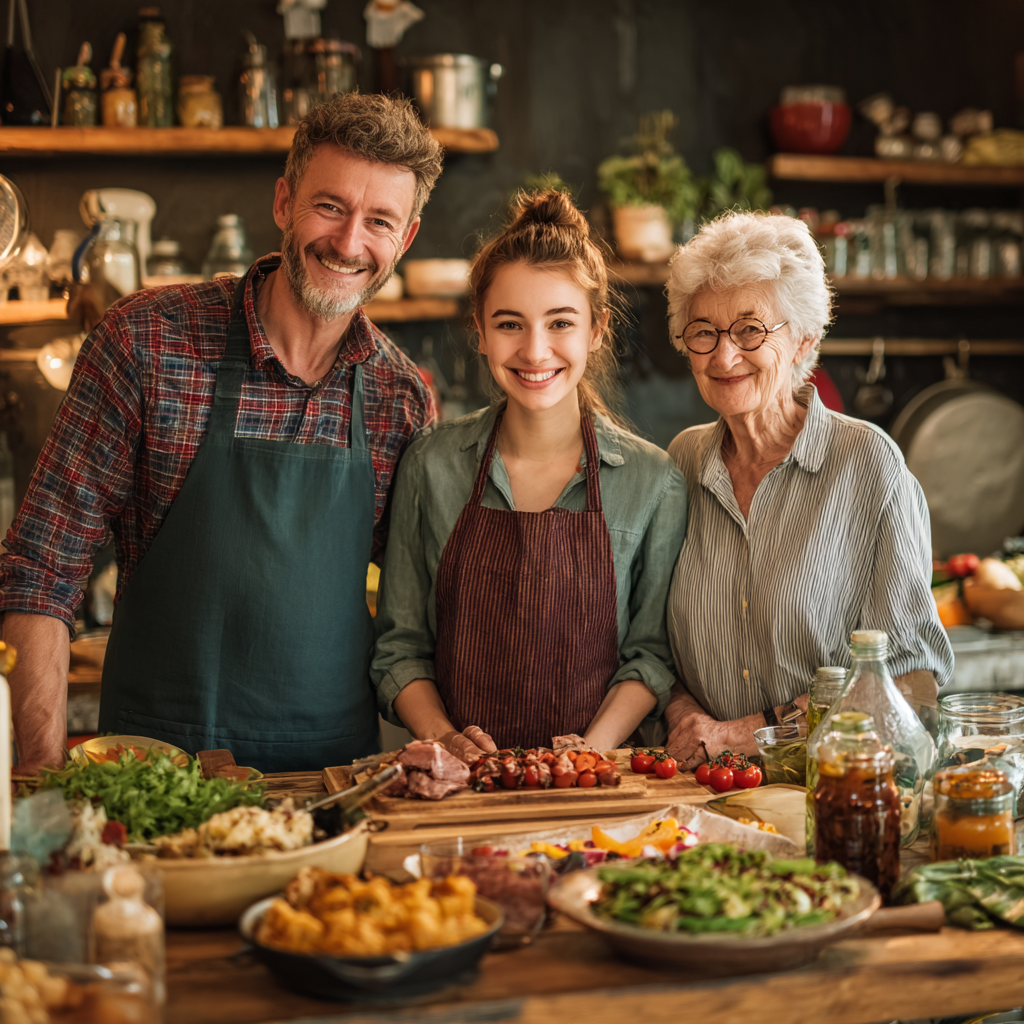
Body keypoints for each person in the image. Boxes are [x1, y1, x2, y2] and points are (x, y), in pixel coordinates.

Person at [0, 93, 443, 773]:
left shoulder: (400, 398)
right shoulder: (147, 341)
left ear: (405, 239)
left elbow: (420, 617)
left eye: (379, 220)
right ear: (283, 202)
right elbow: (40, 573)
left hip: (329, 792)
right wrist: (39, 781)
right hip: (153, 782)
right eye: (329, 206)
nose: (350, 242)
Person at [371, 189, 688, 764]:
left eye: (560, 322)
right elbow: (401, 650)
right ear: (481, 331)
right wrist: (444, 738)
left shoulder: (653, 480)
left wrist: (586, 755)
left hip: (597, 785)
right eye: (510, 323)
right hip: (462, 787)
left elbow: (650, 656)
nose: (535, 351)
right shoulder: (431, 463)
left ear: (596, 330)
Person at [661, 211, 953, 767]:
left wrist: (753, 734)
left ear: (802, 341)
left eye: (751, 330)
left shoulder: (867, 464)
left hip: (828, 790)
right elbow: (654, 648)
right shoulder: (681, 462)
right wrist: (687, 721)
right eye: (704, 331)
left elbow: (911, 680)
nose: (724, 357)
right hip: (698, 787)